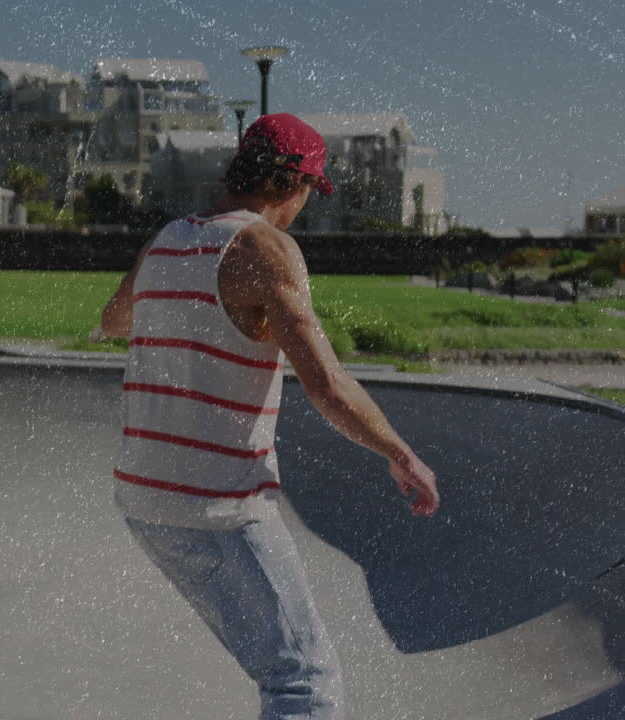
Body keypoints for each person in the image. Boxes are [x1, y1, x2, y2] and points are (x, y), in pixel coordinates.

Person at [98, 113, 440, 720]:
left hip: (144, 500)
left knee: (280, 670)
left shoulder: (170, 237)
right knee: (304, 684)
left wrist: (199, 321)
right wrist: (399, 451)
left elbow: (115, 320)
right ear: (293, 184)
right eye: (309, 193)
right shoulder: (266, 248)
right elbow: (328, 385)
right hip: (219, 506)